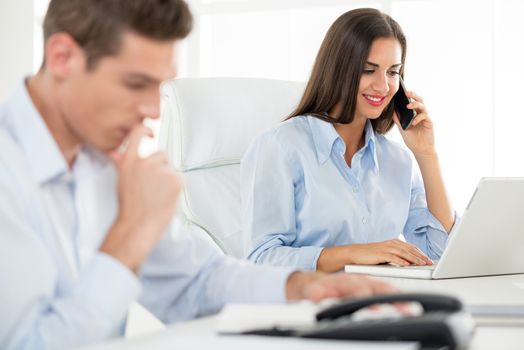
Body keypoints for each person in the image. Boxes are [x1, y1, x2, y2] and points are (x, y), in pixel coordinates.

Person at [0, 1, 396, 349]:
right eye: (135, 83)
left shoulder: (101, 164)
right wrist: (131, 233)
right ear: (63, 57)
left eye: (158, 86)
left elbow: (196, 281)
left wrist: (301, 287)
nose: (153, 111)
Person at [241, 8, 457, 273]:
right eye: (369, 70)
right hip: (312, 307)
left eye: (392, 72)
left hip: (384, 303)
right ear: (338, 69)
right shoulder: (280, 147)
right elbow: (262, 259)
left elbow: (441, 253)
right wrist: (355, 254)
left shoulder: (397, 161)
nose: (383, 86)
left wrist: (426, 155)